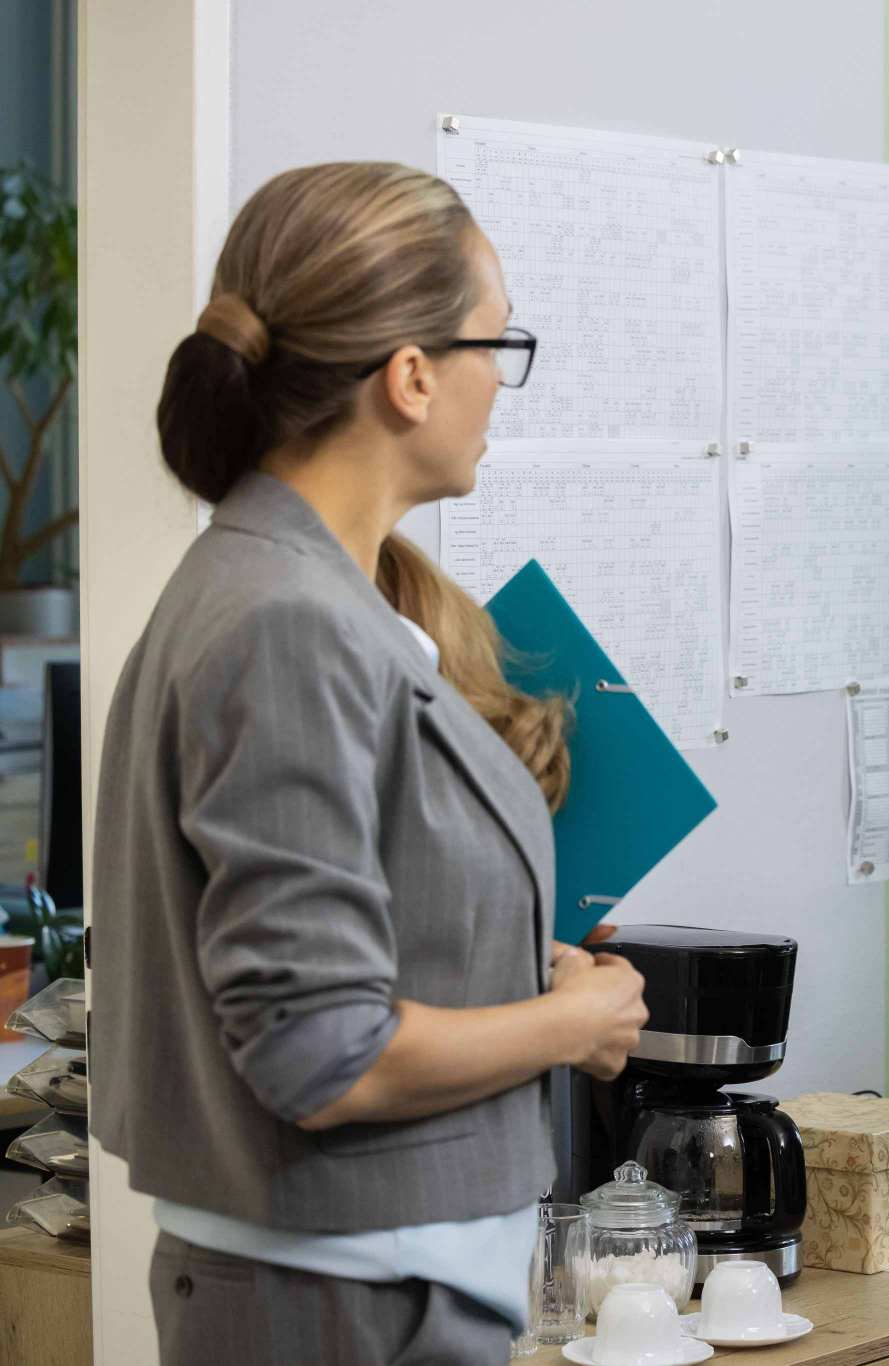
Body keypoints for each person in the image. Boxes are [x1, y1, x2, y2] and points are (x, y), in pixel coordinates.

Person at [91, 161, 649, 1365]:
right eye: (496, 345)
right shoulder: (285, 623)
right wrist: (567, 1022)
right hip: (343, 1308)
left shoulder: (293, 595)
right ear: (410, 376)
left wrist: (513, 964)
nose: (498, 385)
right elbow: (320, 1051)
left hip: (363, 1294)